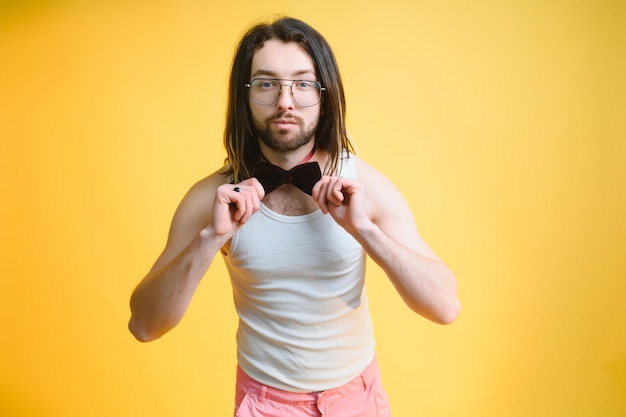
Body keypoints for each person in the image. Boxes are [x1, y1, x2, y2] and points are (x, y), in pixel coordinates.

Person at [128, 16, 460, 417]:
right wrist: (210, 239)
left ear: (325, 96)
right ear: (244, 96)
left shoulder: (363, 184)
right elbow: (145, 325)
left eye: (302, 84)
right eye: (267, 84)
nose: (285, 102)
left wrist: (364, 231)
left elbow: (445, 306)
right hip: (263, 404)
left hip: (358, 398)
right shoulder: (211, 198)